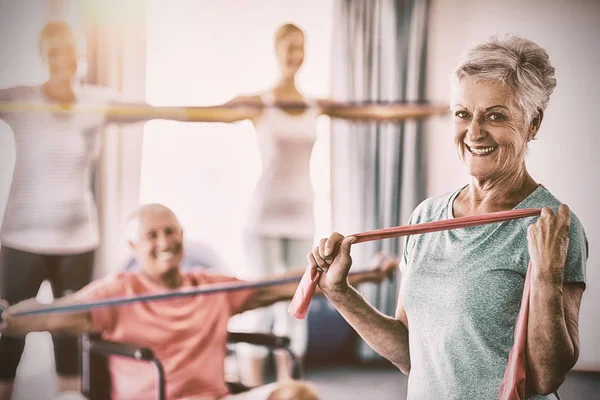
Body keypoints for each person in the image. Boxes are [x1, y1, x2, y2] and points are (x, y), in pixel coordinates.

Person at [306, 35, 588, 399]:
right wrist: (339, 292)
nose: (474, 132)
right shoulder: (426, 216)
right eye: (462, 114)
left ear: (533, 124)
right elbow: (412, 353)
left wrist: (547, 277)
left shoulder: (551, 227)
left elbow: (547, 377)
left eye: (496, 115)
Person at [0, 21, 243, 400]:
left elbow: (161, 111)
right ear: (44, 57)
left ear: (77, 57)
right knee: (7, 334)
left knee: (72, 335)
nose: (62, 61)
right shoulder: (21, 98)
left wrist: (224, 113)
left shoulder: (97, 102)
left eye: (68, 53)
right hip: (21, 238)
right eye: (54, 53)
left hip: (78, 238)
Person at [0, 203, 398, 400]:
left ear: (182, 234)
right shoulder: (117, 291)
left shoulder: (208, 287)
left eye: (170, 232)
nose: (164, 243)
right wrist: (10, 320)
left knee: (298, 394)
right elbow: (56, 314)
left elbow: (281, 284)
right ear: (134, 246)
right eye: (152, 236)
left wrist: (366, 273)